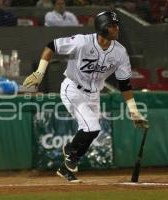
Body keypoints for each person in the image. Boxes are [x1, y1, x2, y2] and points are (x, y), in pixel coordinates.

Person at [23, 11, 149, 183]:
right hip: (73, 89)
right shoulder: (82, 42)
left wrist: (133, 111)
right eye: (112, 25)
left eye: (116, 25)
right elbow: (51, 46)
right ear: (103, 27)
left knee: (92, 131)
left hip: (94, 94)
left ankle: (65, 168)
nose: (116, 28)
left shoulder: (120, 52)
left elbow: (124, 83)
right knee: (92, 127)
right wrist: (39, 72)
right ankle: (70, 151)